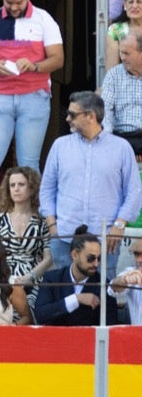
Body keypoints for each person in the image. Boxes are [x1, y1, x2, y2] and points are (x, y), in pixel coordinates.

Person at [0, 0, 63, 187]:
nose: (14, 7)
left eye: (19, 2)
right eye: (9, 2)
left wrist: (34, 66)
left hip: (34, 96)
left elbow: (58, 59)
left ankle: (33, 216)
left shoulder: (44, 19)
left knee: (29, 162)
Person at [40, 91, 141, 275]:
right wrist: (52, 226)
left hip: (105, 239)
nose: (67, 118)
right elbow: (47, 189)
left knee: (102, 298)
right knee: (65, 295)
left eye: (73, 114)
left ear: (91, 116)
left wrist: (119, 226)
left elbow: (134, 191)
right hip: (64, 237)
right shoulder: (60, 146)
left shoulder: (121, 148)